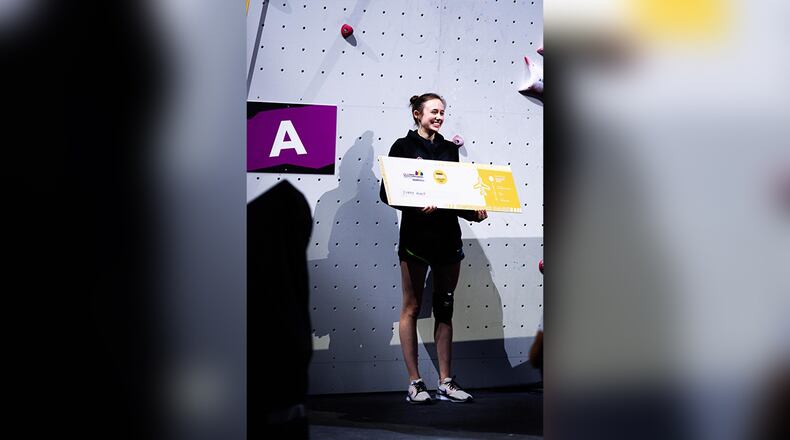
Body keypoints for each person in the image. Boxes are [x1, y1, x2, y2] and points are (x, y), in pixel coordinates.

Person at [380, 93, 488, 404]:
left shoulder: (449, 149)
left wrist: (474, 214)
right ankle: (415, 383)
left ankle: (446, 381)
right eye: (433, 112)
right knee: (411, 308)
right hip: (415, 240)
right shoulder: (402, 147)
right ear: (417, 114)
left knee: (445, 309)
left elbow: (455, 195)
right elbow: (387, 193)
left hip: (447, 239)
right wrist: (415, 207)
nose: (439, 117)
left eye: (442, 112)